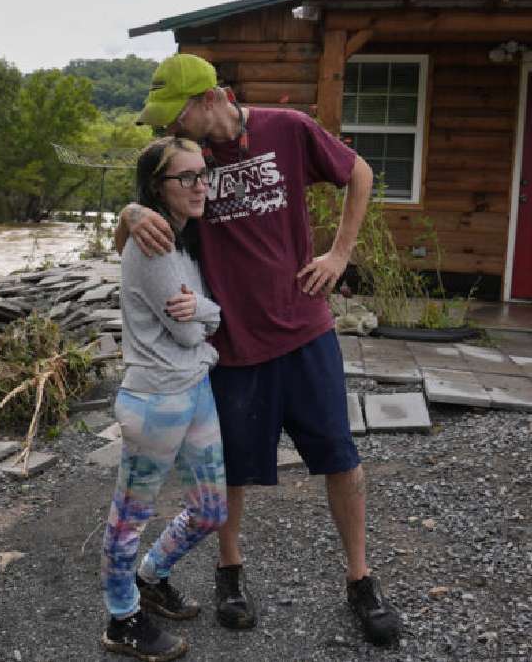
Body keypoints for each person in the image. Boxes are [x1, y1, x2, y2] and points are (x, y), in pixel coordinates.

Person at [115, 54, 402, 647]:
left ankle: (361, 579)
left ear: (212, 98)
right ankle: (230, 573)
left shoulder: (287, 128)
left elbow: (360, 173)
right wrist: (131, 209)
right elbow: (132, 217)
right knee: (236, 470)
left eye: (178, 115)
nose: (173, 129)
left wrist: (340, 254)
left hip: (305, 330)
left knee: (340, 457)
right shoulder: (187, 164)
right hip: (234, 343)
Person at [101, 136, 227, 662]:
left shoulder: (184, 237)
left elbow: (197, 318)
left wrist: (203, 311)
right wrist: (212, 314)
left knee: (212, 509)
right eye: (186, 177)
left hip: (194, 389)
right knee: (130, 516)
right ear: (158, 186)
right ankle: (122, 617)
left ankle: (152, 576)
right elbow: (186, 333)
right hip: (155, 399)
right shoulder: (152, 243)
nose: (200, 186)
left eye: (203, 174)